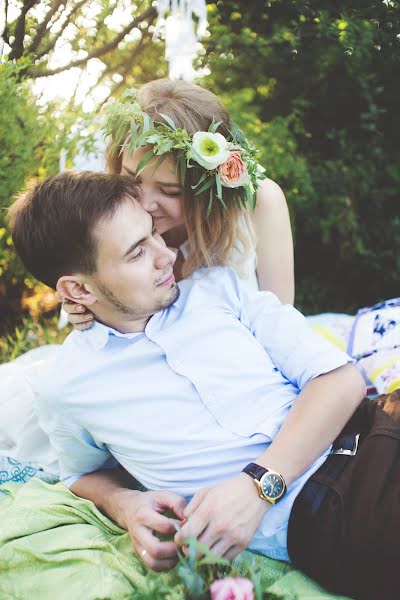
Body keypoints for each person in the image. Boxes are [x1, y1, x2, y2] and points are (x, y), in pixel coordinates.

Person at [13, 170, 397, 600]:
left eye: (154, 234)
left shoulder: (219, 289)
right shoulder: (66, 387)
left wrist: (258, 486)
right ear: (77, 289)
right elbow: (80, 472)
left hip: (377, 422)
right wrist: (125, 505)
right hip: (332, 506)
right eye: (138, 252)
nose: (165, 256)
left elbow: (342, 380)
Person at [64, 78, 294, 334]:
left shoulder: (261, 202)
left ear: (208, 191)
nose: (145, 203)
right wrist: (90, 307)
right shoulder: (107, 216)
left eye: (171, 191)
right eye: (131, 178)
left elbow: (283, 323)